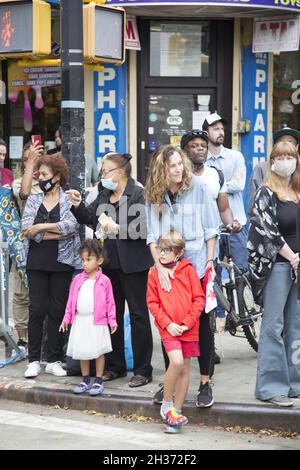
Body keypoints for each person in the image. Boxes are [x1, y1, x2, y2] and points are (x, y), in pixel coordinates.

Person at [67, 152, 153, 387]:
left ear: (120, 172)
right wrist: (77, 205)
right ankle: (115, 366)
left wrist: (117, 228)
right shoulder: (104, 194)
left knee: (138, 315)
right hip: (110, 264)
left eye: (105, 171)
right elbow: (89, 217)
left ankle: (143, 370)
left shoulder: (138, 193)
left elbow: (144, 228)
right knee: (110, 315)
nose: (102, 175)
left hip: (134, 265)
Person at [144, 145, 219, 408]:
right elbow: (152, 237)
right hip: (168, 272)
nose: (177, 169)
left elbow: (211, 230)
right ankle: (170, 381)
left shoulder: (199, 188)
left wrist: (209, 264)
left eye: (179, 164)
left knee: (202, 327)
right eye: (171, 166)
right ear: (161, 170)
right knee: (170, 328)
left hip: (197, 267)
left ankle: (205, 382)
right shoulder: (154, 195)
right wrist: (160, 268)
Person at [180, 129, 242, 404]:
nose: (200, 149)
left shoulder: (214, 175)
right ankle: (175, 377)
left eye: (202, 145)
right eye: (193, 146)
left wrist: (232, 222)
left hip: (206, 257)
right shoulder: (177, 175)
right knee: (179, 322)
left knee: (205, 321)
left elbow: (223, 208)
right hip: (178, 261)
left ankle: (205, 382)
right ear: (185, 151)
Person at [248, 141, 300, 407]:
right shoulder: (265, 193)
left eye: (289, 156)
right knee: (273, 326)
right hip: (278, 266)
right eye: (279, 156)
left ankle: (294, 383)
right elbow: (265, 232)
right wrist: (291, 257)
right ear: (271, 161)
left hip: (297, 266)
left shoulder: (297, 191)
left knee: (295, 325)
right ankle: (271, 387)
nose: (284, 160)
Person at [22, 154, 81, 379]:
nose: (40, 178)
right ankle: (34, 360)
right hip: (36, 262)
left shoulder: (69, 198)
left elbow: (71, 227)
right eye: (39, 174)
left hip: (62, 263)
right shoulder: (34, 199)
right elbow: (27, 228)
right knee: (37, 309)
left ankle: (54, 359)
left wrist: (42, 228)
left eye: (44, 174)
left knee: (58, 310)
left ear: (57, 177)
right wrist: (49, 232)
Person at [147, 231, 205, 431]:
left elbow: (199, 299)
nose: (161, 254)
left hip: (188, 328)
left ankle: (176, 415)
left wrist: (188, 323)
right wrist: (167, 324)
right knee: (177, 362)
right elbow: (152, 303)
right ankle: (167, 403)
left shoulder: (189, 270)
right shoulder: (154, 273)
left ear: (179, 253)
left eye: (167, 250)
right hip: (169, 328)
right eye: (160, 249)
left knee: (185, 368)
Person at [60, 239, 117, 396]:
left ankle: (98, 380)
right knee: (83, 350)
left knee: (98, 351)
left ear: (99, 260)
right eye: (83, 260)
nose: (84, 263)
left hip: (97, 321)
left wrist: (112, 320)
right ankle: (85, 379)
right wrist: (66, 318)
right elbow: (71, 301)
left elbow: (110, 302)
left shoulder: (104, 281)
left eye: (88, 259)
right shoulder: (77, 280)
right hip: (80, 321)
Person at [204, 112, 248, 272]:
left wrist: (214, 186)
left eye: (222, 129)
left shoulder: (235, 156)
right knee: (211, 274)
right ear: (206, 133)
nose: (221, 132)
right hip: (211, 226)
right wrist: (224, 183)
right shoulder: (201, 160)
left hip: (236, 224)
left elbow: (238, 185)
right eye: (215, 129)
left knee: (240, 273)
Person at [12, 141, 43, 349]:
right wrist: (31, 164)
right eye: (25, 160)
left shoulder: (49, 183)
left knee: (41, 297)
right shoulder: (18, 183)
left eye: (33, 159)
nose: (29, 164)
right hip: (23, 246)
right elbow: (23, 194)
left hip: (47, 245)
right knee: (21, 294)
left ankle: (43, 339)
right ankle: (23, 339)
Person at [248, 126, 300, 218]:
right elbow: (254, 209)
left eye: (290, 143)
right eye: (282, 143)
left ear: (297, 147)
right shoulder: (261, 169)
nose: (286, 146)